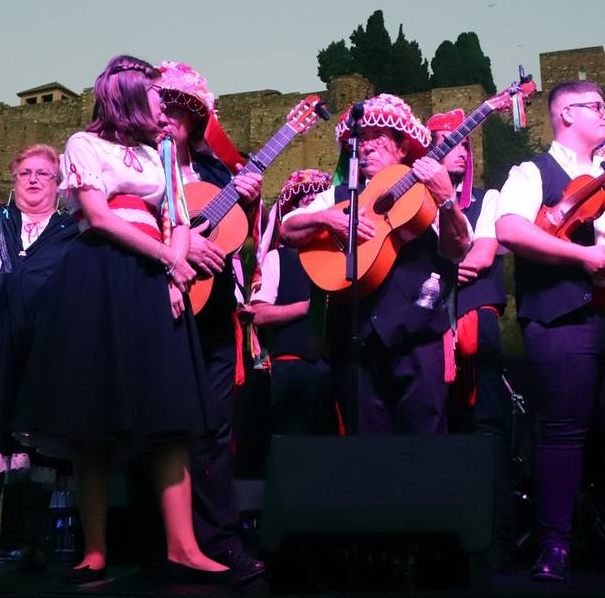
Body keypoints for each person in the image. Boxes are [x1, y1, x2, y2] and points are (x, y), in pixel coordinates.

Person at [12, 55, 226, 583]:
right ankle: (95, 547)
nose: (163, 105)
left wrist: (177, 273)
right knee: (92, 415)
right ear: (131, 96)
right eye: (156, 95)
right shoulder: (85, 145)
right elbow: (101, 216)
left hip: (154, 275)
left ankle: (183, 545)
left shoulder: (163, 154)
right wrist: (168, 260)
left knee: (169, 408)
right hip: (100, 276)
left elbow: (177, 216)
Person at [495, 81, 605, 584]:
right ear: (566, 113)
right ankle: (554, 542)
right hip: (560, 319)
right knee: (561, 432)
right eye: (597, 107)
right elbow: (510, 229)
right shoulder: (532, 171)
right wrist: (582, 255)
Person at [282, 94, 472, 435]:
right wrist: (329, 219)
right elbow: (288, 229)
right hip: (354, 341)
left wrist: (445, 199)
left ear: (402, 147)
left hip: (418, 336)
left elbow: (458, 249)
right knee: (366, 453)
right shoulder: (338, 197)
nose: (366, 146)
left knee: (424, 446)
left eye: (378, 138)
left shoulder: (429, 192)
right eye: (360, 139)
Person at [153, 60, 267, 587]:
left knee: (216, 429)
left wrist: (251, 203)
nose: (172, 116)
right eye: (165, 105)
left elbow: (236, 241)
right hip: (160, 306)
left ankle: (220, 537)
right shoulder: (139, 169)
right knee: (162, 427)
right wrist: (178, 244)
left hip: (215, 309)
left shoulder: (219, 175)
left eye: (184, 109)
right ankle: (161, 539)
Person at [0, 144, 78, 574]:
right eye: (25, 171)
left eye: (44, 173)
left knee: (38, 451)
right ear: (13, 175)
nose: (34, 179)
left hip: (44, 349)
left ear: (59, 183)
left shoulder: (72, 227)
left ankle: (32, 543)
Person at [426, 111, 515, 551]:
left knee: (486, 423)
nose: (458, 150)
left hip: (475, 323)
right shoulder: (418, 209)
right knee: (437, 423)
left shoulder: (489, 198)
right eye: (446, 143)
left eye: (462, 143)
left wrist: (437, 267)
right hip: (429, 331)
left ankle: (494, 530)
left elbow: (479, 257)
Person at [247, 169, 339, 436]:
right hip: (292, 364)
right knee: (290, 439)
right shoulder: (278, 258)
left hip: (331, 365)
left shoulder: (338, 257)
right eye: (305, 203)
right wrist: (307, 308)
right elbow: (258, 314)